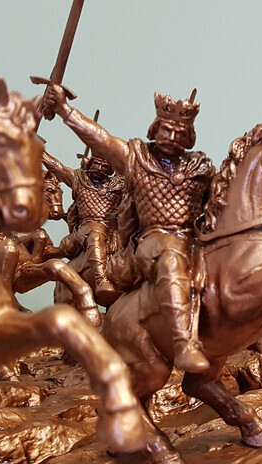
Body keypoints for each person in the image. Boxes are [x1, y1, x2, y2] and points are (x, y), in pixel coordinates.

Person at [43, 86, 215, 373]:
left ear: (189, 136)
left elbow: (217, 202)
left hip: (189, 242)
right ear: (155, 129)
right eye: (166, 130)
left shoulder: (200, 167)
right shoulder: (138, 159)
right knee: (168, 255)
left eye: (180, 132)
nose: (172, 137)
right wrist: (64, 109)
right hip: (150, 241)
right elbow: (100, 139)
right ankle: (182, 343)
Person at [42, 151, 124, 301]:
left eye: (105, 166)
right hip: (86, 227)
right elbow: (56, 166)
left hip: (113, 229)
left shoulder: (119, 184)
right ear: (89, 163)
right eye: (97, 164)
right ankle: (101, 279)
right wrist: (38, 149)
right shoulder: (78, 179)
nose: (100, 168)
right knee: (95, 233)